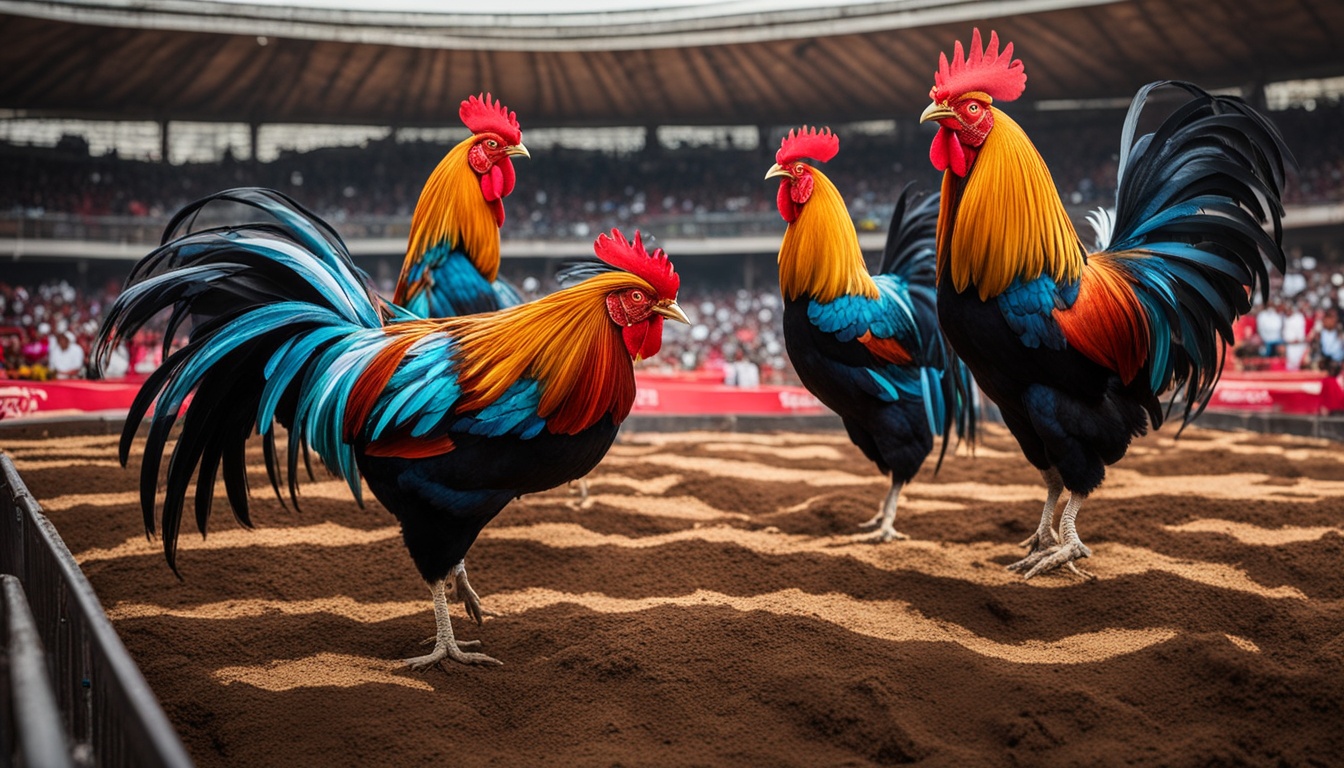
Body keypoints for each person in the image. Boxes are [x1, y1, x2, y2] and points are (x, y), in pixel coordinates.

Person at [1283, 300, 1309, 372]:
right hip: (1290, 345)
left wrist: (1298, 339)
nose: (1287, 311)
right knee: (1290, 365)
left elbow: (1302, 331)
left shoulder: (1299, 317)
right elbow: (1285, 333)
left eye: (1289, 309)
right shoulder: (1285, 318)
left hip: (1299, 345)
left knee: (1300, 364)